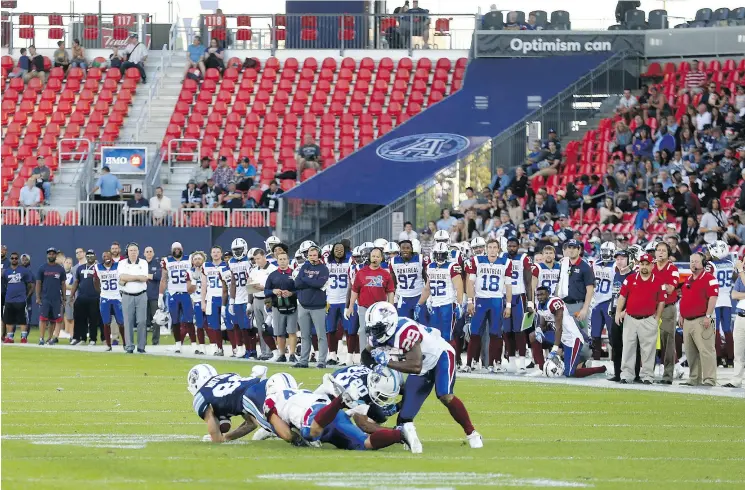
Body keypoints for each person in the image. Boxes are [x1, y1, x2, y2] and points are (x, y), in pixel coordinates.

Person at [365, 302, 483, 453]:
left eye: (378, 329)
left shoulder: (404, 331)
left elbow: (415, 365)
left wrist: (387, 362)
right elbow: (365, 355)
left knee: (444, 395)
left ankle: (472, 434)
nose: (375, 334)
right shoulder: (377, 337)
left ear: (390, 324)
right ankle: (404, 427)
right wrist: (376, 369)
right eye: (372, 329)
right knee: (405, 418)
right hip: (422, 367)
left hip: (440, 356)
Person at [263, 371, 408, 451]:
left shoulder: (272, 399)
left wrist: (297, 440)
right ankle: (400, 433)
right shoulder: (302, 391)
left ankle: (340, 401)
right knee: (363, 444)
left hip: (315, 412)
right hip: (330, 411)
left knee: (309, 434)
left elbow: (287, 435)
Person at [615, 253, 668, 384]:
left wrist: (657, 318)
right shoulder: (630, 278)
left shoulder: (658, 281)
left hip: (648, 319)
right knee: (628, 348)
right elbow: (622, 296)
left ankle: (647, 376)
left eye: (647, 264)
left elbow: (661, 301)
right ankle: (626, 375)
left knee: (648, 350)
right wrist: (618, 312)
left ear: (652, 265)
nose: (644, 267)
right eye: (642, 264)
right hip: (630, 318)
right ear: (639, 265)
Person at [535, 287, 608, 378]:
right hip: (560, 337)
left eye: (542, 294)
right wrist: (538, 329)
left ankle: (600, 369)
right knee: (533, 336)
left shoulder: (555, 303)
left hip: (572, 339)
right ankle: (541, 368)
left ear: (548, 294)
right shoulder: (540, 305)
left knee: (569, 373)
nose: (540, 297)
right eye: (538, 295)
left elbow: (559, 328)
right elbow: (542, 324)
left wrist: (554, 348)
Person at [188, 363, 272, 443]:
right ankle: (270, 426)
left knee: (277, 427)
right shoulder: (229, 375)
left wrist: (215, 438)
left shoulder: (201, 396)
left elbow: (217, 440)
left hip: (252, 395)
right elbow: (251, 424)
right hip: (267, 384)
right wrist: (226, 437)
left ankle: (270, 427)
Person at [464, 238, 513, 372]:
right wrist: (470, 301)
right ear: (486, 249)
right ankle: (469, 363)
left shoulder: (506, 262)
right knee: (474, 333)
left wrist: (508, 305)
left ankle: (495, 363)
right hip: (480, 299)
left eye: (494, 247)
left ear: (498, 249)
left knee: (495, 333)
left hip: (497, 300)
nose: (492, 250)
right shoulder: (477, 261)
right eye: (490, 247)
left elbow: (508, 286)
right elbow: (470, 283)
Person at [679, 252, 719, 386]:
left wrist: (708, 315)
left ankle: (709, 379)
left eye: (696, 261)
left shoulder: (709, 278)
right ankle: (694, 378)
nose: (693, 264)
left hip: (702, 319)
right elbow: (684, 298)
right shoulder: (688, 280)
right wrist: (681, 314)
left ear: (703, 264)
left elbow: (713, 297)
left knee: (706, 350)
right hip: (688, 320)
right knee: (691, 352)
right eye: (691, 261)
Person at [346, 247, 395, 349]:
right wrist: (350, 306)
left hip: (379, 308)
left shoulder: (385, 274)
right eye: (373, 256)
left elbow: (390, 292)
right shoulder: (361, 273)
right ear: (369, 257)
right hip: (364, 306)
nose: (375, 258)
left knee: (379, 331)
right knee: (363, 330)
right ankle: (363, 356)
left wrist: (391, 307)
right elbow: (355, 290)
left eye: (377, 256)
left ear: (381, 258)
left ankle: (378, 354)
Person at [294, 245, 330, 368]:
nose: (312, 257)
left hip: (318, 306)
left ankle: (321, 361)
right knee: (304, 335)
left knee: (321, 335)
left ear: (318, 255)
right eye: (310, 255)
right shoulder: (305, 266)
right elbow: (297, 283)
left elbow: (319, 283)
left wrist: (305, 279)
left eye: (314, 255)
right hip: (303, 305)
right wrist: (310, 281)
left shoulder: (324, 268)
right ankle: (303, 361)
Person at [503, 237, 533, 371]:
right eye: (509, 246)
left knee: (519, 330)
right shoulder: (501, 258)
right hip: (504, 296)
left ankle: (522, 360)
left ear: (518, 246)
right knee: (507, 331)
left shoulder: (523, 258)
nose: (511, 248)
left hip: (519, 296)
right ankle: (511, 360)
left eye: (514, 246)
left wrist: (530, 301)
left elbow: (528, 282)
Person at [264, 251, 299, 363]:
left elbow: (300, 290)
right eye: (280, 259)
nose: (283, 261)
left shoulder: (294, 273)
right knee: (279, 332)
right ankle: (282, 354)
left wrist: (291, 293)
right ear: (277, 261)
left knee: (292, 331)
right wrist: (273, 291)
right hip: (277, 306)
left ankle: (292, 354)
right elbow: (266, 290)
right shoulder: (273, 275)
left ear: (288, 260)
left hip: (292, 306)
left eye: (285, 259)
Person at [160, 242, 194, 354]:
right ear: (171, 250)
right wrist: (161, 295)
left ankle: (194, 344)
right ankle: (178, 344)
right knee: (175, 320)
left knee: (189, 319)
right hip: (173, 293)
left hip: (186, 293)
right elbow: (164, 279)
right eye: (175, 248)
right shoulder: (166, 261)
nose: (177, 250)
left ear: (182, 249)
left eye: (179, 248)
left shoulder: (189, 259)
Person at [654, 241, 680, 384]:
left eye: (664, 250)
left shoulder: (673, 268)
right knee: (649, 341)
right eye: (658, 250)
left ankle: (668, 375)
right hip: (651, 308)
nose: (661, 253)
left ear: (668, 253)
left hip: (667, 309)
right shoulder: (650, 266)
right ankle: (647, 373)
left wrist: (653, 286)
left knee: (668, 342)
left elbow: (670, 288)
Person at [706, 240, 736, 368]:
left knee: (715, 330)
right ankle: (730, 359)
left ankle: (717, 358)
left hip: (715, 299)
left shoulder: (711, 264)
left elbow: (706, 281)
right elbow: (735, 278)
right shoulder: (730, 263)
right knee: (728, 330)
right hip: (727, 299)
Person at [117, 243, 150, 354]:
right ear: (128, 252)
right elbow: (121, 277)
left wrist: (129, 277)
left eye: (135, 250)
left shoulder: (143, 262)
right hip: (127, 295)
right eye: (131, 250)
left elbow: (144, 278)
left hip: (141, 294)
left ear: (138, 251)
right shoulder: (122, 263)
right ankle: (129, 346)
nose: (133, 252)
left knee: (141, 321)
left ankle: (141, 346)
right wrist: (137, 277)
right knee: (128, 322)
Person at [556, 239, 595, 330]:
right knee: (565, 336)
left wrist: (585, 309)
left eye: (574, 248)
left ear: (579, 250)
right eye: (569, 247)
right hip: (564, 304)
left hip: (578, 306)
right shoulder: (563, 264)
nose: (571, 250)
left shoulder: (585, 267)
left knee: (582, 336)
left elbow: (590, 289)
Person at [325, 243, 352, 365]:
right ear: (333, 250)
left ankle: (349, 356)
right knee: (330, 329)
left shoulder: (349, 261)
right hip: (331, 300)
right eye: (337, 249)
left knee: (349, 329)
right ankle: (332, 355)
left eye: (341, 249)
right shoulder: (327, 262)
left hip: (345, 301)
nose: (339, 251)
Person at [249, 249, 278, 361]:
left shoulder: (272, 269)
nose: (257, 261)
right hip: (256, 298)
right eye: (255, 259)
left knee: (267, 326)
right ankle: (264, 351)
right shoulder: (253, 270)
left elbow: (275, 286)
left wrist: (264, 288)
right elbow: (250, 286)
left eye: (259, 258)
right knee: (259, 327)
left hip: (268, 299)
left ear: (264, 257)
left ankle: (271, 351)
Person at [590, 242, 617, 360]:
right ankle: (596, 358)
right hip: (596, 302)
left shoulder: (616, 265)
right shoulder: (595, 263)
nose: (605, 254)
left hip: (609, 301)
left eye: (608, 251)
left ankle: (615, 360)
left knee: (612, 333)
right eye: (604, 251)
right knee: (595, 334)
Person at [93, 251, 124, 352]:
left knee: (121, 321)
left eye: (108, 256)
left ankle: (125, 343)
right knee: (106, 322)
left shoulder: (118, 265)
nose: (106, 257)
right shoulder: (98, 267)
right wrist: (100, 291)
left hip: (117, 297)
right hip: (105, 297)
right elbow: (95, 281)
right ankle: (108, 344)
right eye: (104, 256)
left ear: (112, 257)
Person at [201, 246, 229, 356]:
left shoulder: (226, 265)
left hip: (224, 297)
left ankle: (236, 348)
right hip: (212, 298)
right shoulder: (206, 266)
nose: (216, 254)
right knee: (215, 325)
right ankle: (219, 348)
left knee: (229, 324)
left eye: (218, 252)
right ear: (211, 254)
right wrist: (203, 301)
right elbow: (204, 286)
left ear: (221, 254)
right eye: (214, 252)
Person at [35, 248, 66, 345]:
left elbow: (63, 284)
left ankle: (50, 338)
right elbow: (38, 283)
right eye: (50, 254)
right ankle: (41, 338)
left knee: (54, 320)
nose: (51, 255)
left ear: (56, 256)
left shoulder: (60, 269)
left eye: (53, 254)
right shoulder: (42, 268)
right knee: (43, 319)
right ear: (47, 255)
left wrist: (64, 297)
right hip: (45, 297)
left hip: (56, 298)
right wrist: (38, 297)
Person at [2, 251, 34, 343]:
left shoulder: (24, 271)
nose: (14, 259)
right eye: (12, 258)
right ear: (10, 259)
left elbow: (30, 285)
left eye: (16, 258)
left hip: (20, 299)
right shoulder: (6, 271)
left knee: (22, 319)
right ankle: (10, 337)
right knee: (9, 319)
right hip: (9, 299)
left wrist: (26, 296)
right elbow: (4, 284)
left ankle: (23, 337)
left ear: (18, 259)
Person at [390, 240, 425, 321]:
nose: (405, 250)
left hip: (418, 296)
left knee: (421, 324)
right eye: (403, 248)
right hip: (403, 297)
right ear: (399, 250)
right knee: (404, 323)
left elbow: (426, 279)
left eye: (408, 248)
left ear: (412, 249)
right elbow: (393, 283)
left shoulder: (420, 259)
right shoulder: (393, 262)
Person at [725, 259, 745, 388]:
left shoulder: (742, 274)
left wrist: (741, 271)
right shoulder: (741, 277)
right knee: (738, 351)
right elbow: (733, 295)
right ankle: (736, 379)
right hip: (741, 315)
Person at [143, 246, 161, 346]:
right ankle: (143, 341)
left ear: (153, 253)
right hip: (142, 295)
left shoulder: (157, 263)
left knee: (156, 320)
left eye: (150, 251)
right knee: (143, 320)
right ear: (144, 253)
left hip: (154, 296)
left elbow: (159, 276)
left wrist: (146, 276)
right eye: (147, 252)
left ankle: (155, 341)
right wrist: (151, 275)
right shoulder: (141, 264)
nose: (149, 253)